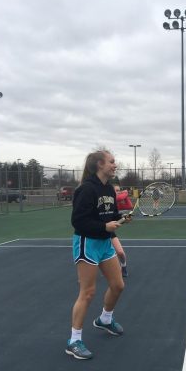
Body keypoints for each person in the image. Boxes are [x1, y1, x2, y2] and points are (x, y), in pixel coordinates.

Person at [65, 150, 131, 360]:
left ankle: (105, 318)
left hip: (104, 243)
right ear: (100, 165)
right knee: (88, 292)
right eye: (112, 161)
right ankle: (74, 341)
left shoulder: (109, 189)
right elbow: (78, 222)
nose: (115, 164)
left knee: (118, 285)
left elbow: (110, 216)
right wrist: (105, 225)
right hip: (87, 243)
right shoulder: (86, 189)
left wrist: (120, 218)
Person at [111, 185, 133, 277]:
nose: (118, 192)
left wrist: (124, 218)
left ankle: (123, 267)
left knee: (120, 252)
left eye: (119, 190)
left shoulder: (116, 203)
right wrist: (126, 193)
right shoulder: (110, 200)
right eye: (116, 190)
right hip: (96, 231)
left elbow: (129, 206)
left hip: (109, 232)